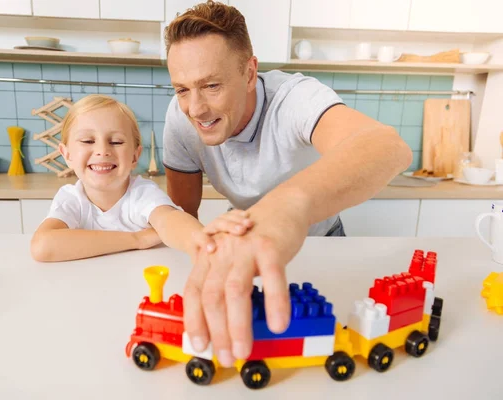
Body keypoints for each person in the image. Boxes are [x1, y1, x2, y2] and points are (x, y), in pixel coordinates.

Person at [162, 1, 413, 367]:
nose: (195, 109)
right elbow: (184, 213)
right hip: (245, 246)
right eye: (182, 89)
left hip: (322, 241)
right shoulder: (180, 117)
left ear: (249, 73)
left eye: (211, 85)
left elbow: (388, 147)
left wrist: (287, 206)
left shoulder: (293, 98)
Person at [30, 94, 252, 262]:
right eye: (88, 141)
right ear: (66, 154)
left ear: (135, 155)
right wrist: (137, 239)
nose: (102, 151)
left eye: (116, 142)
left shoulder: (142, 193)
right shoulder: (71, 198)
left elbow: (170, 220)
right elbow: (42, 246)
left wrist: (204, 240)